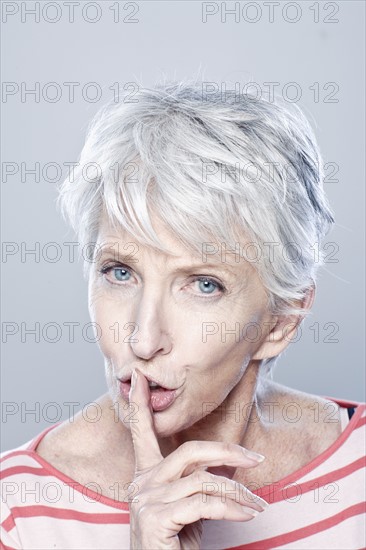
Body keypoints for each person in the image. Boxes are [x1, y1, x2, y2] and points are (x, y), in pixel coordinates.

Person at [1, 80, 365, 550]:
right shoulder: (16, 514)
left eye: (204, 285)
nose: (143, 339)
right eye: (119, 272)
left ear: (281, 322)